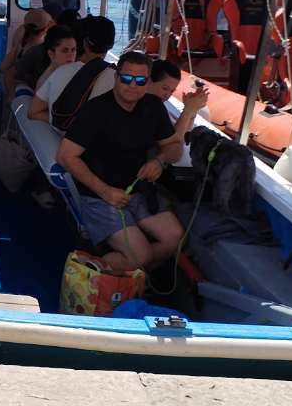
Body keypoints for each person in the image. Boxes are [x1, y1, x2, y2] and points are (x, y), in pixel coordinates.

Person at [56, 51, 186, 270]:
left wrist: (160, 160)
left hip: (138, 191)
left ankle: (130, 278)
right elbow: (65, 156)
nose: (132, 85)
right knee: (140, 255)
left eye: (140, 80)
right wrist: (105, 191)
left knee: (174, 237)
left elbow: (174, 146)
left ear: (147, 82)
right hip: (100, 195)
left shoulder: (154, 106)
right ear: (116, 78)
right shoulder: (95, 110)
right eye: (126, 78)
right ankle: (85, 270)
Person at [30, 15, 116, 128]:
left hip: (59, 133)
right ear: (111, 46)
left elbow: (33, 112)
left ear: (84, 43)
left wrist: (58, 121)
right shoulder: (117, 78)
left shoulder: (60, 72)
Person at [147, 57, 211, 144]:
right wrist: (188, 110)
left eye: (172, 91)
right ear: (149, 82)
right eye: (165, 88)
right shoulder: (144, 107)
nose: (167, 95)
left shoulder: (159, 107)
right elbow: (173, 143)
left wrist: (193, 110)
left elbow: (184, 136)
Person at [0, 8, 54, 104]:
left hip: (15, 88)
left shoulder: (20, 39)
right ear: (46, 28)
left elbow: (2, 68)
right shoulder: (38, 49)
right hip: (26, 92)